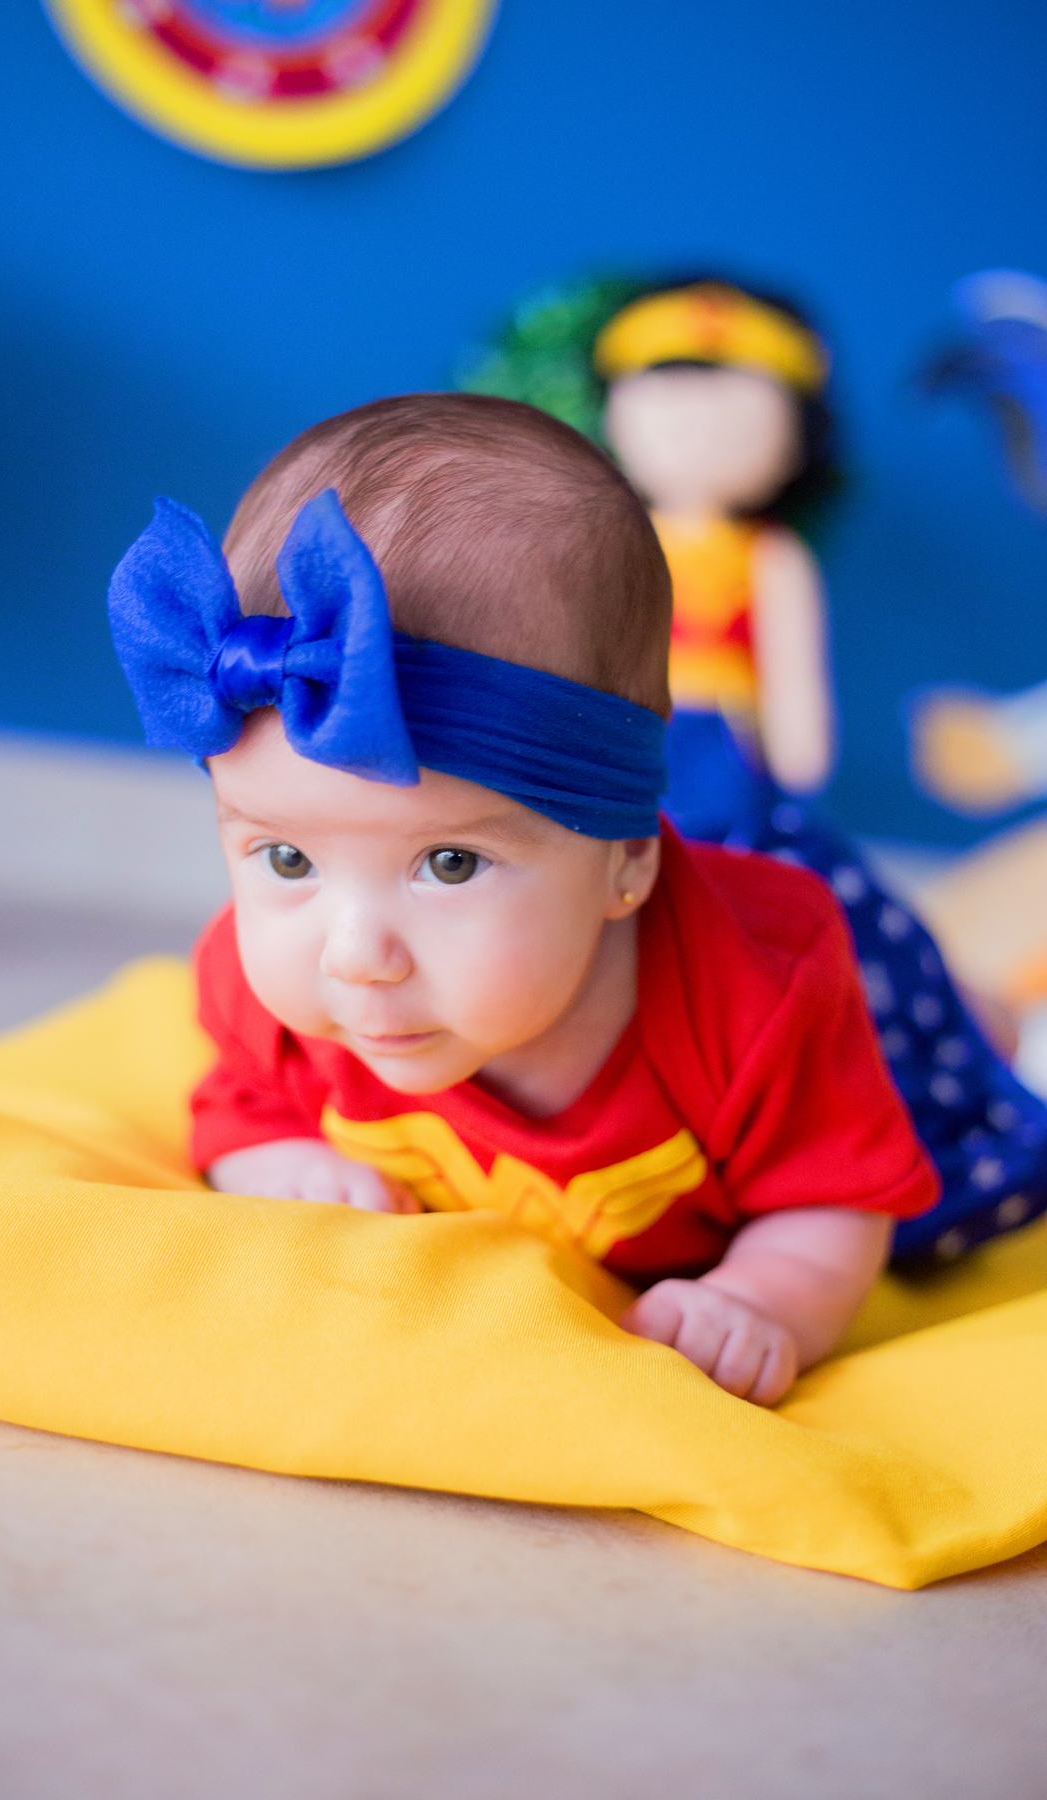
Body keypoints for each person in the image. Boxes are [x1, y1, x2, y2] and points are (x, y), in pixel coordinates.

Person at [108, 393, 937, 1406]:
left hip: (849, 994)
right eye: (285, 859)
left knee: (942, 1055)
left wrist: (761, 1298)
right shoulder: (258, 974)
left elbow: (836, 1201)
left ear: (626, 858)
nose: (355, 951)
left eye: (449, 865)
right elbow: (237, 1100)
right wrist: (267, 1155)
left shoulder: (762, 993)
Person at [462, 277, 1047, 1264]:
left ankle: (895, 1079)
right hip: (619, 751)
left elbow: (792, 669)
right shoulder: (611, 539)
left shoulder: (765, 557)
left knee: (781, 925)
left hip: (728, 762)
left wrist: (799, 752)